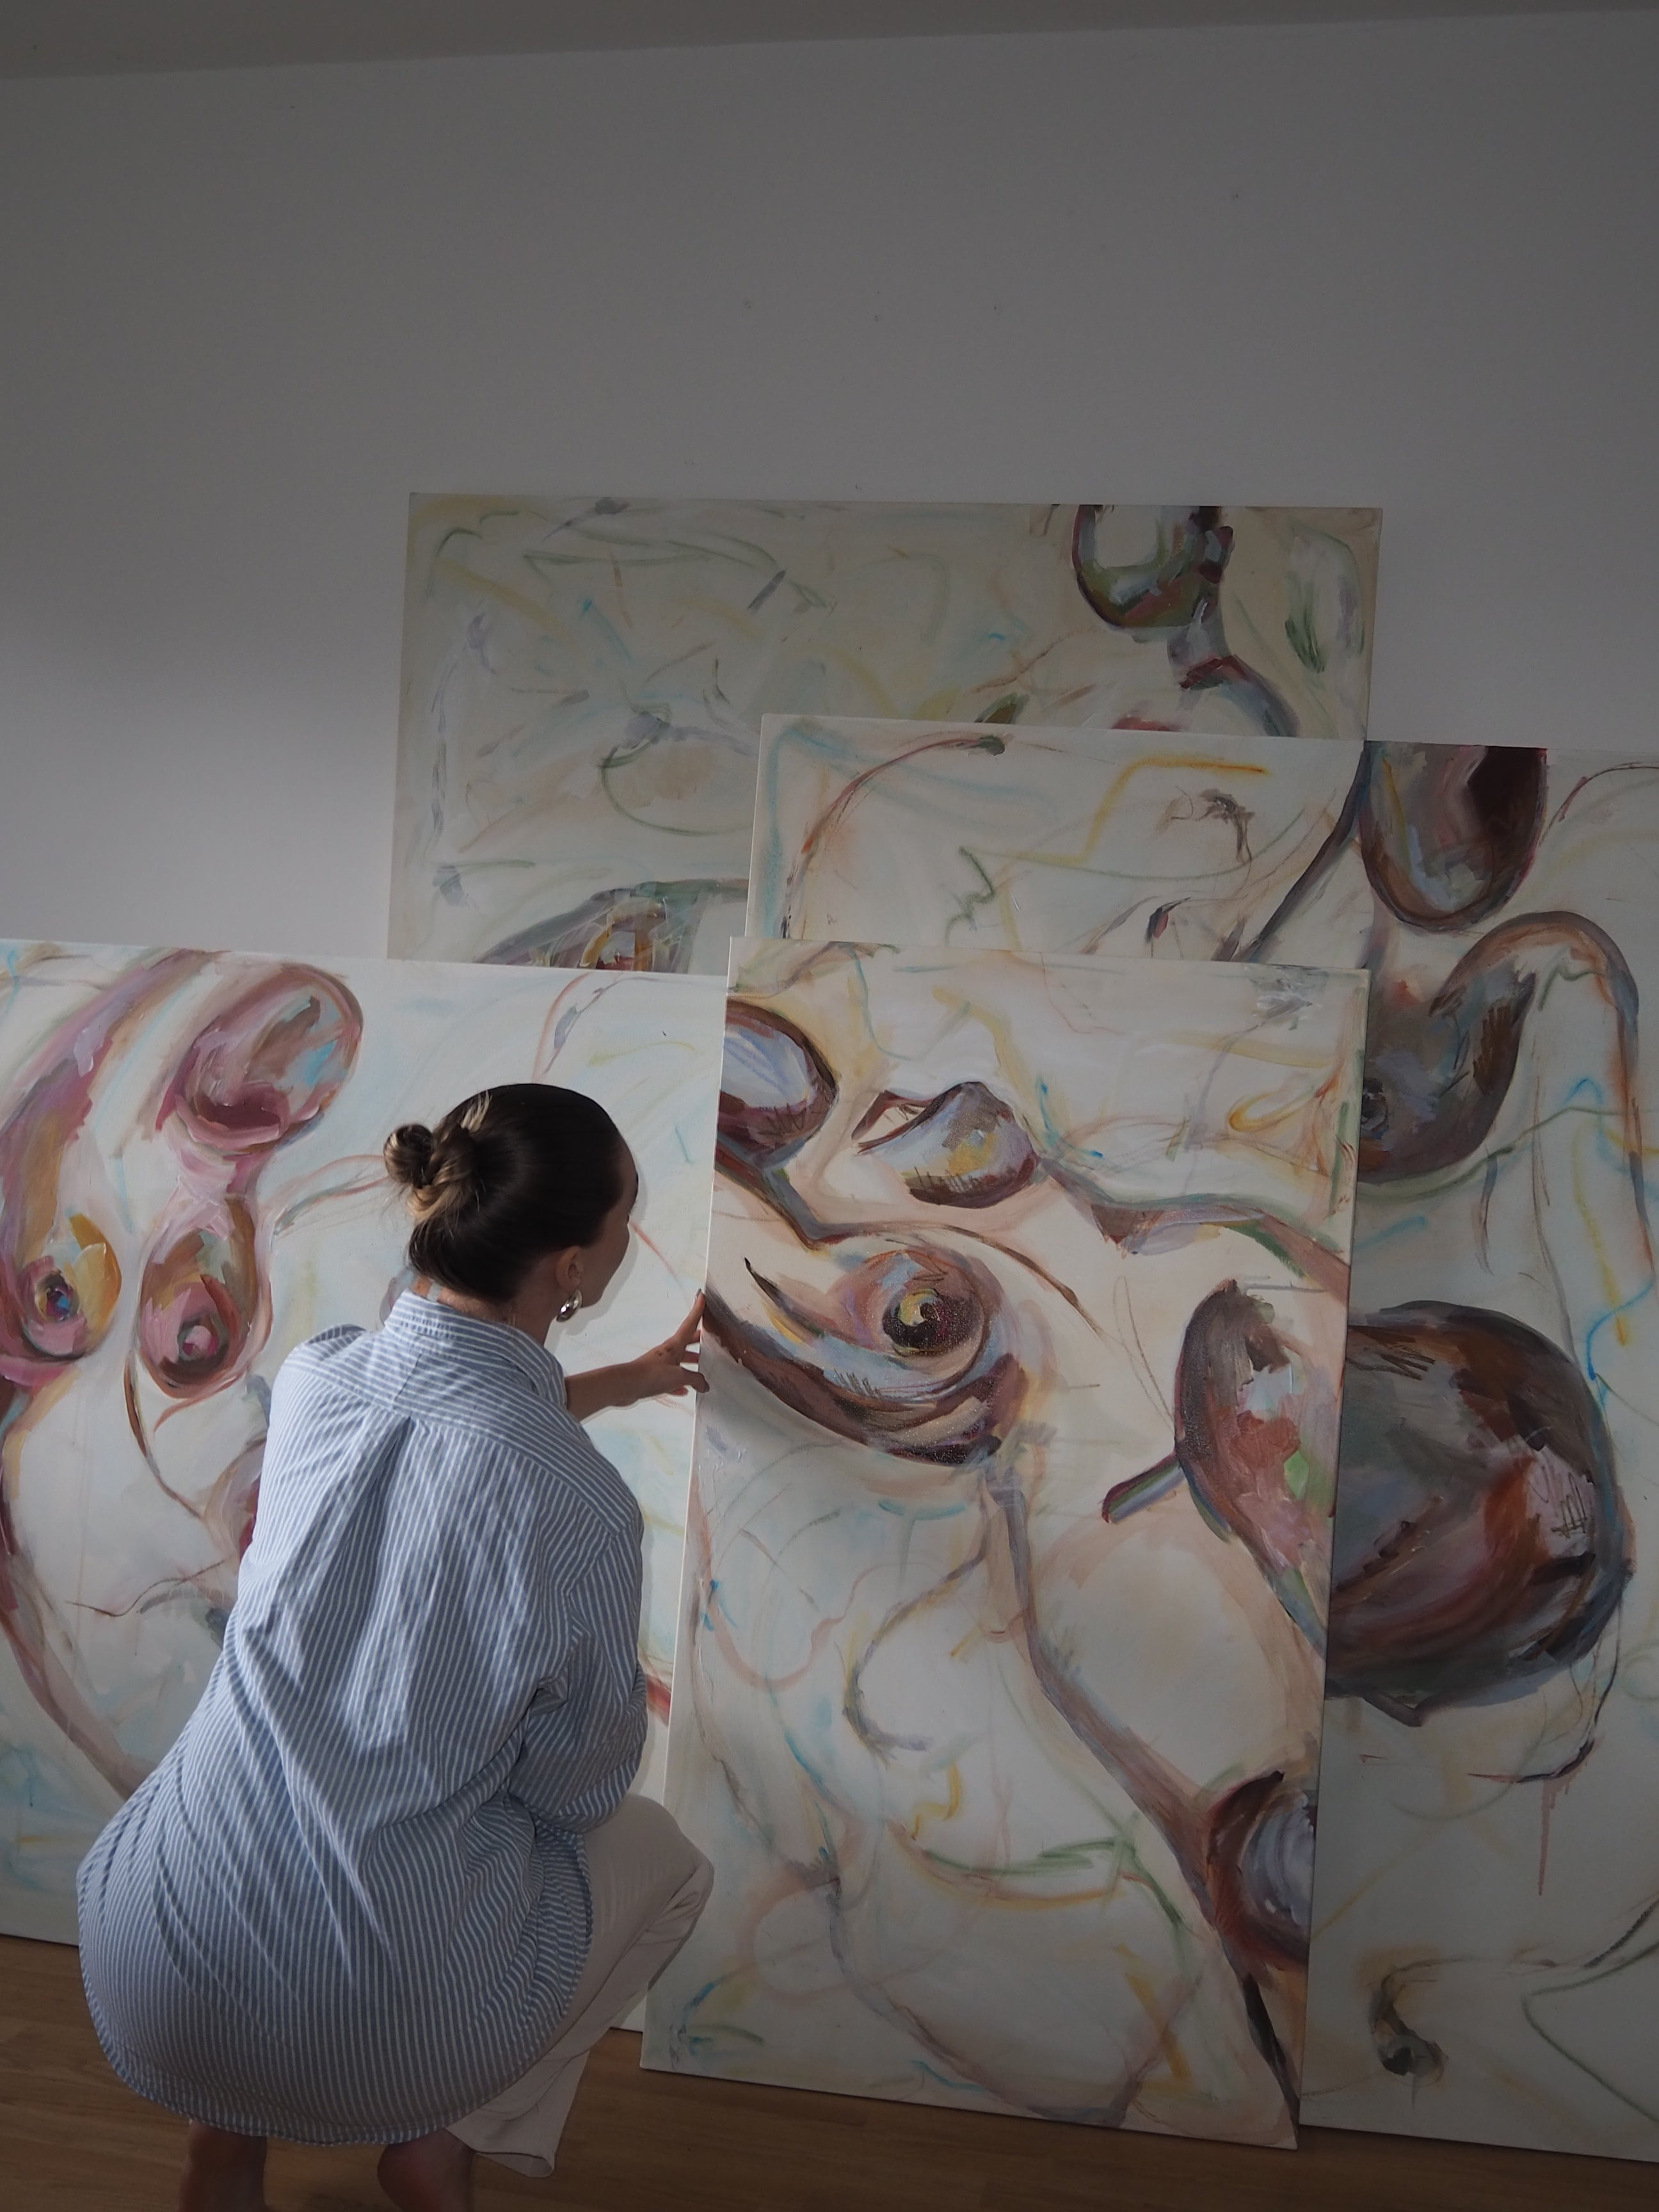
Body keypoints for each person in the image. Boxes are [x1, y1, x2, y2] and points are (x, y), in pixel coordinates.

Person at [76, 1082, 713, 2212]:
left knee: (294, 1801)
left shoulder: (320, 1378)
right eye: (626, 1215)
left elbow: (448, 1422)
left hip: (161, 1956)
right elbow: (575, 1790)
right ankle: (443, 2134)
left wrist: (631, 1382)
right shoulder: (584, 1508)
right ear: (572, 1264)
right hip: (377, 2014)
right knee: (664, 1860)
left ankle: (221, 2137)